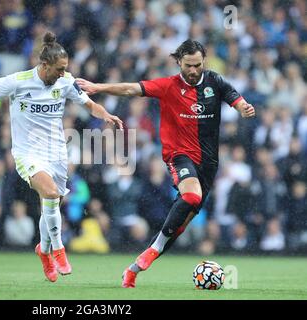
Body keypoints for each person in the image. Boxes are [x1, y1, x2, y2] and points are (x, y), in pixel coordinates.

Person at [76, 39, 256, 288]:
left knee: (179, 226)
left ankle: (136, 266)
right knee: (191, 197)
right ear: (179, 63)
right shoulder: (168, 86)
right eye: (188, 65)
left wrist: (243, 108)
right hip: (178, 155)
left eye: (197, 65)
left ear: (203, 61)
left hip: (208, 165)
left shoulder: (215, 81)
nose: (193, 71)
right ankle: (148, 255)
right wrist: (98, 87)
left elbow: (235, 98)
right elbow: (131, 89)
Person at [0, 32, 122, 282]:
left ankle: (43, 250)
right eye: (59, 69)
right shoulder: (17, 81)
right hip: (27, 152)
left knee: (51, 203)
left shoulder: (65, 82)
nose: (63, 74)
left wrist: (105, 114)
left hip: (57, 153)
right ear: (44, 65)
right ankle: (59, 250)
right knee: (51, 194)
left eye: (65, 69)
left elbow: (90, 105)